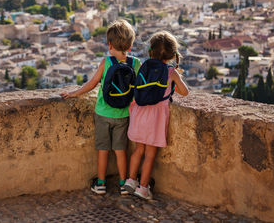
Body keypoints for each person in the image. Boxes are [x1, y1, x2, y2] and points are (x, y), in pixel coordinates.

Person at [60, 19, 140, 195]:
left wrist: (74, 93)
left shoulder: (107, 62)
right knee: (120, 151)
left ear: (109, 44)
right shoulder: (135, 63)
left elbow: (92, 84)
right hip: (123, 114)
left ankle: (101, 184)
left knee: (103, 150)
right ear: (130, 45)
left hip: (103, 113)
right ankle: (122, 184)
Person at [124, 30, 189, 200]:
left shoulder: (144, 66)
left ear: (150, 50)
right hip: (155, 119)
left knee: (138, 150)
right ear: (172, 54)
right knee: (150, 154)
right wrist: (176, 78)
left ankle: (130, 180)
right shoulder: (170, 72)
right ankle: (143, 188)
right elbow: (185, 92)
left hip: (139, 115)